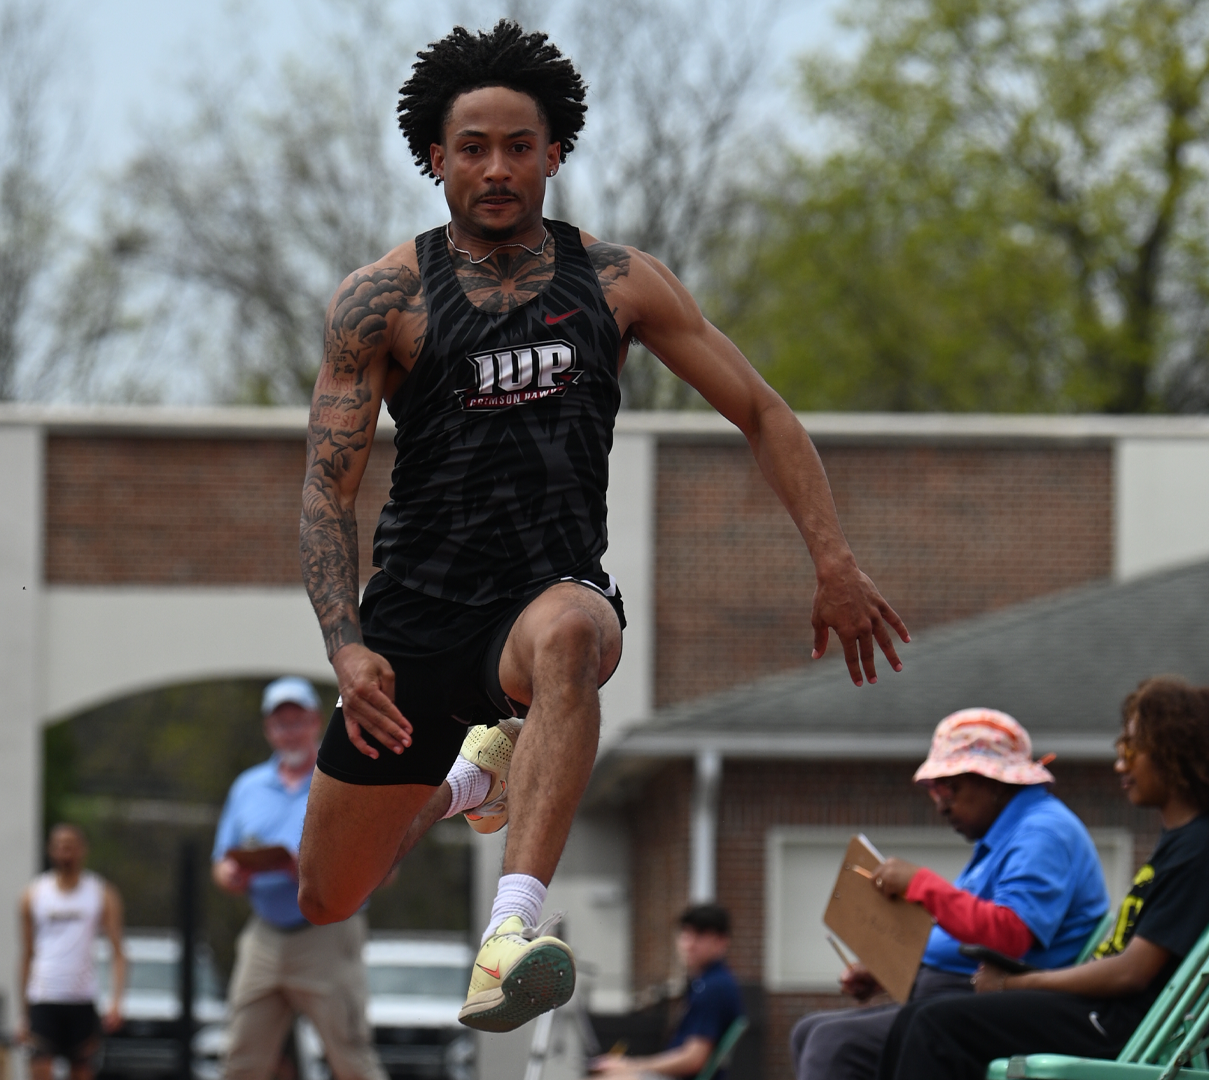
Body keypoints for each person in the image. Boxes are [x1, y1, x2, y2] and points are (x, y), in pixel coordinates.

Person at [294, 19, 911, 1034]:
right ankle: (470, 778)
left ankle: (509, 936)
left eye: (520, 147)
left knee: (573, 638)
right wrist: (346, 645)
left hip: (547, 594)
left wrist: (833, 562)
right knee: (328, 894)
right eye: (475, 149)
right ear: (434, 157)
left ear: (555, 152)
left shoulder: (620, 282)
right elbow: (326, 491)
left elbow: (763, 411)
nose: (498, 169)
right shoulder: (381, 301)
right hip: (414, 617)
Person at [874, 677, 1209, 1080]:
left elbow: (1131, 972)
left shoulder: (1203, 852)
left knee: (934, 1025)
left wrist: (1018, 985)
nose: (1120, 763)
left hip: (1125, 1027)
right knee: (922, 1018)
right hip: (1113, 1017)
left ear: (1180, 755)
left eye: (1132, 747)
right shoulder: (1189, 844)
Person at [789, 709, 1108, 1080]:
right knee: (808, 1031)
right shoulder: (1009, 833)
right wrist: (892, 969)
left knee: (836, 1043)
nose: (940, 803)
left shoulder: (1043, 834)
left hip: (1002, 1008)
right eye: (933, 790)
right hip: (953, 997)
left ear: (995, 782)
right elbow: (964, 927)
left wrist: (923, 885)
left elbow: (1009, 934)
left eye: (949, 787)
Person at [213, 677, 387, 1080]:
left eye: (297, 720)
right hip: (266, 931)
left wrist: (309, 868)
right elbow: (220, 861)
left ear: (315, 722)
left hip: (328, 929)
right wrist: (231, 874)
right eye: (280, 722)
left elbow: (380, 862)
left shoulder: (342, 779)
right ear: (268, 729)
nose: (289, 731)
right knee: (240, 1056)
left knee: (350, 1054)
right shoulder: (248, 787)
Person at [17, 823, 126, 1080]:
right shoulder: (33, 895)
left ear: (82, 850)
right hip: (44, 996)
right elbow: (26, 954)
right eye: (60, 846)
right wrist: (23, 1013)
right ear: (50, 850)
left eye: (71, 846)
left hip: (81, 998)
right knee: (40, 1068)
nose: (66, 852)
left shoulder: (100, 893)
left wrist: (117, 1001)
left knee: (82, 1071)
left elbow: (118, 950)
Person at [590, 905, 745, 1080]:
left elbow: (694, 1059)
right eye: (686, 934)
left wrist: (631, 1065)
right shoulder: (707, 982)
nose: (689, 944)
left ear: (721, 942)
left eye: (700, 936)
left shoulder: (714, 987)